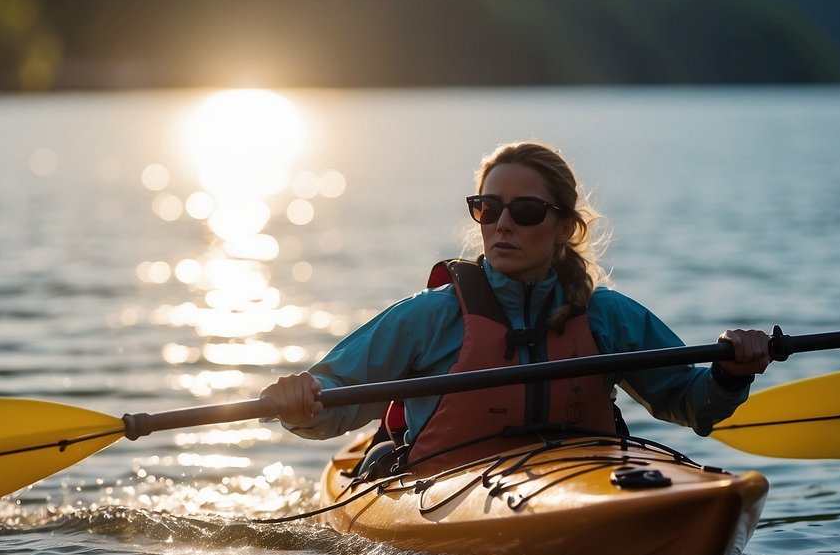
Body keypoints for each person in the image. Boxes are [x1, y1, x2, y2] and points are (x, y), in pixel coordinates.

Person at [261, 141, 771, 474]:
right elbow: (337, 398)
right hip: (445, 486)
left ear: (566, 227)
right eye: (488, 207)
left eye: (525, 211)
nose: (502, 224)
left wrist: (730, 374)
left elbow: (689, 401)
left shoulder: (606, 315)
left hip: (580, 478)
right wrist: (302, 398)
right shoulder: (430, 316)